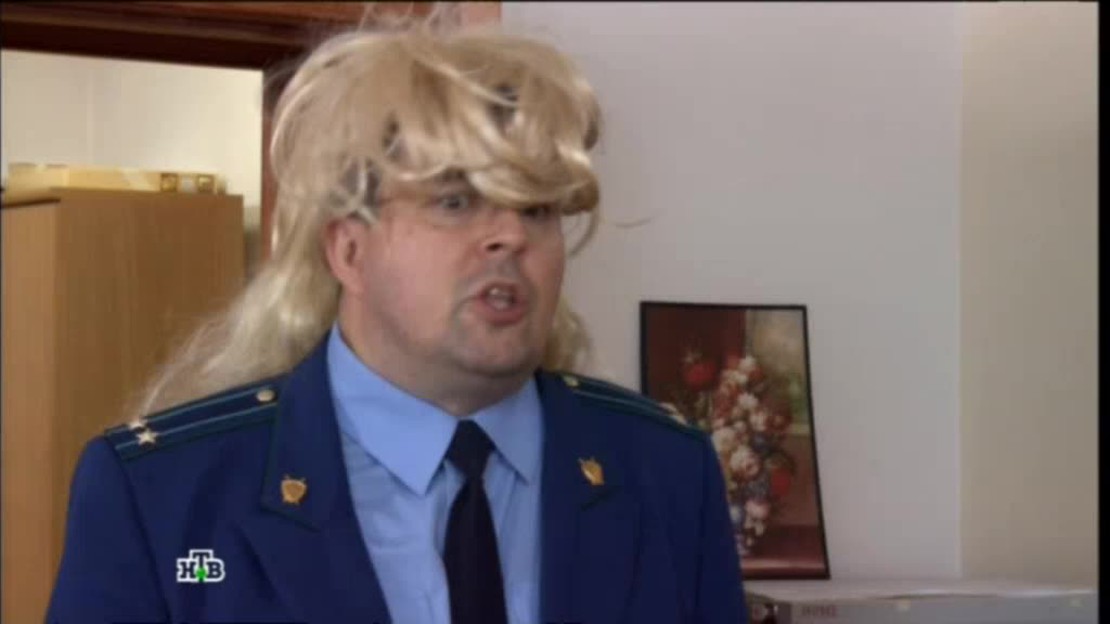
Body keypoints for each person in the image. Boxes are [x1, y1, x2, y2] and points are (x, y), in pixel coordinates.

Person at [45, 9, 747, 624]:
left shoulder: (666, 473)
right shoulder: (168, 503)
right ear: (348, 250)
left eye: (537, 209)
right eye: (455, 201)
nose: (511, 236)